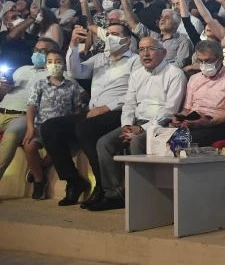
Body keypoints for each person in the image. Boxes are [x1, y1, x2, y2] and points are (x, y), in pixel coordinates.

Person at [42, 23, 139, 208]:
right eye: (108, 34)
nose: (109, 37)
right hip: (93, 112)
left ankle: (103, 186)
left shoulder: (135, 60)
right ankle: (73, 180)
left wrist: (107, 107)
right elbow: (75, 71)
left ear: (127, 40)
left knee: (85, 127)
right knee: (50, 127)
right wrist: (73, 45)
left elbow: (135, 92)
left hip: (118, 112)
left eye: (115, 34)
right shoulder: (100, 58)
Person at [89, 37, 186, 211]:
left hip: (161, 125)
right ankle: (114, 194)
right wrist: (126, 126)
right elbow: (129, 105)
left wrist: (142, 129)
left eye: (151, 49)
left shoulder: (175, 74)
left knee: (136, 141)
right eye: (141, 50)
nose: (145, 54)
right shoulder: (137, 74)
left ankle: (142, 196)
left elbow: (170, 111)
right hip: (135, 123)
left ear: (163, 52)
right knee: (104, 143)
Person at [24, 50, 84, 199]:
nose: (54, 65)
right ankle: (39, 180)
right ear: (45, 65)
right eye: (50, 62)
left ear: (64, 64)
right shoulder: (39, 84)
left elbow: (77, 109)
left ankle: (39, 168)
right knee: (29, 146)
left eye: (58, 61)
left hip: (60, 131)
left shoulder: (72, 86)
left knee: (57, 149)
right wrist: (30, 128)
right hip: (40, 127)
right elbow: (31, 107)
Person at [0, 38, 60, 182]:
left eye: (43, 51)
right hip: (2, 108)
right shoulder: (22, 69)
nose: (37, 54)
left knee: (11, 137)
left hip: (22, 116)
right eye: (36, 50)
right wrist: (3, 89)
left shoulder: (56, 74)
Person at [168, 39, 225, 145]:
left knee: (178, 141)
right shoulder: (194, 79)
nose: (203, 64)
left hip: (216, 124)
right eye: (200, 61)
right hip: (193, 121)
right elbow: (186, 109)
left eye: (208, 61)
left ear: (221, 58)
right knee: (153, 138)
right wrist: (179, 117)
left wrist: (208, 123)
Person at [120, 0, 193, 67]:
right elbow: (134, 24)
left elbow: (180, 64)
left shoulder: (183, 41)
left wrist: (157, 67)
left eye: (167, 18)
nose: (162, 20)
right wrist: (123, 0)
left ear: (176, 23)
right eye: (161, 17)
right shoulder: (153, 36)